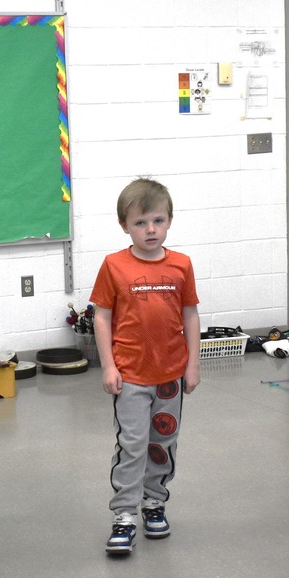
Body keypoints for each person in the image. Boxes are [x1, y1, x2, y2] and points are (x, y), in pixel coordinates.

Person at [90, 177, 201, 554]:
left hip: (170, 374)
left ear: (169, 221)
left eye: (157, 220)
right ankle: (123, 514)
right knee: (132, 444)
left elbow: (190, 315)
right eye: (140, 223)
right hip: (131, 375)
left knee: (162, 444)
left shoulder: (181, 266)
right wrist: (109, 367)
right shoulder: (114, 266)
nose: (150, 230)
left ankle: (154, 503)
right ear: (125, 225)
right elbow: (101, 317)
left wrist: (193, 365)